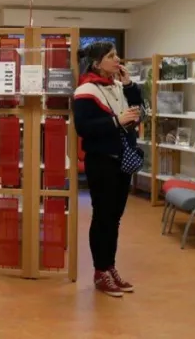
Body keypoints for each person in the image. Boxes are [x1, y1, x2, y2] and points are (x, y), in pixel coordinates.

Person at [73, 41, 142, 298]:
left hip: (122, 159)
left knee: (115, 217)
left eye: (116, 55)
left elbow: (140, 111)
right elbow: (84, 127)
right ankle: (100, 271)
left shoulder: (117, 86)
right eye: (111, 56)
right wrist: (116, 121)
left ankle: (109, 267)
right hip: (101, 160)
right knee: (102, 216)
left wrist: (129, 86)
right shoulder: (86, 90)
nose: (117, 59)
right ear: (97, 62)